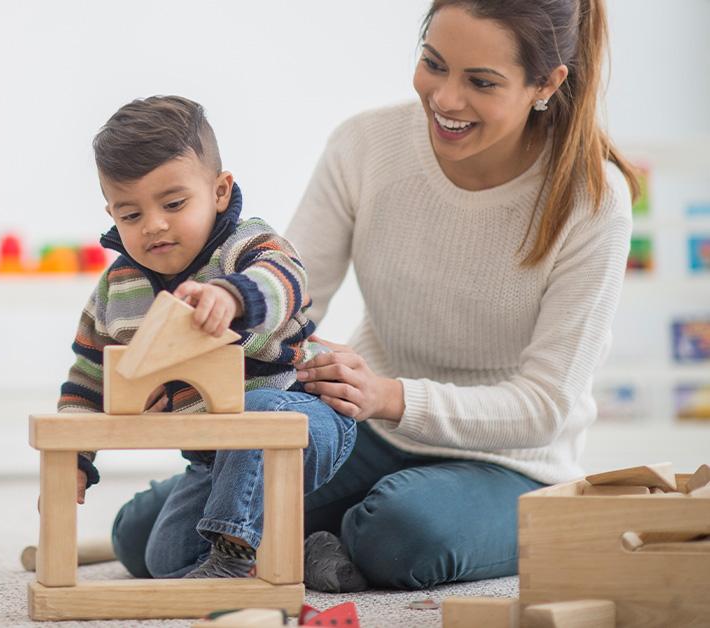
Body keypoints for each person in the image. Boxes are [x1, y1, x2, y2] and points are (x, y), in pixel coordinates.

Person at [110, 0, 639, 592]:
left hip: (511, 460)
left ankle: (335, 536)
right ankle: (318, 544)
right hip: (364, 426)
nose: (445, 99)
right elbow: (289, 301)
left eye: (482, 82)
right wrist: (184, 367)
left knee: (398, 535)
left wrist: (388, 395)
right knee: (142, 536)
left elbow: (545, 407)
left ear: (547, 83)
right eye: (433, 64)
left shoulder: (594, 200)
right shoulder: (365, 145)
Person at [59, 95, 356, 580]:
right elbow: (88, 381)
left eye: (174, 204)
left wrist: (235, 297)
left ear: (219, 191)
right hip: (212, 458)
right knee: (162, 559)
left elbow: (286, 279)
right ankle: (302, 548)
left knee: (255, 416)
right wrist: (75, 455)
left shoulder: (248, 246)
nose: (154, 224)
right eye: (130, 215)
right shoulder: (116, 291)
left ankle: (233, 560)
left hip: (302, 419)